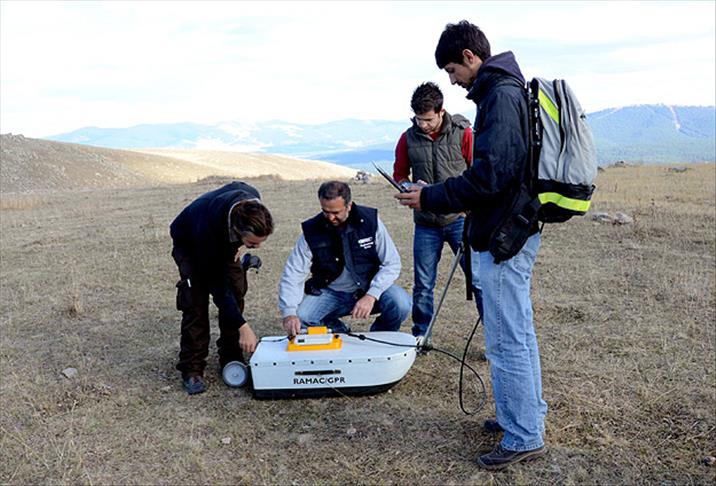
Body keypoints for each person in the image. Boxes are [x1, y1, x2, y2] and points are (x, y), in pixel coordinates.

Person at [396, 20, 547, 470]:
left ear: (469, 57)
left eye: (451, 70)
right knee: (517, 333)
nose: (452, 81)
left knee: (506, 339)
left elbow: (489, 177)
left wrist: (431, 196)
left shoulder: (500, 95)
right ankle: (521, 415)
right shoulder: (506, 90)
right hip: (510, 227)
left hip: (503, 234)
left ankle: (523, 435)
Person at [393, 81, 483, 343]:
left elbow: (477, 172)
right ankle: (422, 335)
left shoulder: (464, 134)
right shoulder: (407, 138)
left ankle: (494, 337)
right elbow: (400, 174)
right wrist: (407, 187)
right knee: (423, 285)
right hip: (425, 223)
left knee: (478, 280)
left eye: (428, 120)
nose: (422, 125)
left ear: (441, 111)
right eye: (418, 119)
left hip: (459, 220)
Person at [170, 181, 274, 395]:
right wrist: (243, 326)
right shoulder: (208, 226)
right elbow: (217, 286)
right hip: (190, 243)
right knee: (196, 301)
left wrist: (238, 244)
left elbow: (237, 185)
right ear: (237, 230)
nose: (256, 247)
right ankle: (192, 368)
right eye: (252, 243)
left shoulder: (252, 199)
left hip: (224, 237)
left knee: (236, 291)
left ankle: (231, 355)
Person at [279, 181, 410, 338]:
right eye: (325, 211)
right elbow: (294, 272)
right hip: (331, 291)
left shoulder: (370, 222)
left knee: (401, 303)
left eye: (336, 212)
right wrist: (289, 312)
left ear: (349, 206)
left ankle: (380, 336)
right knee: (303, 317)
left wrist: (371, 295)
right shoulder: (312, 231)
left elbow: (392, 263)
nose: (330, 217)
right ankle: (340, 333)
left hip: (368, 287)